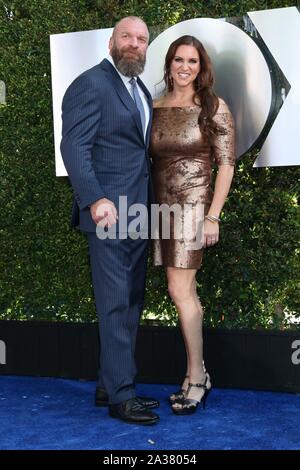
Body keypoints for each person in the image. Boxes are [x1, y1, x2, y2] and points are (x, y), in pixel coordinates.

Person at [60, 16, 159, 425]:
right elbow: (74, 146)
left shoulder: (141, 92)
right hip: (108, 214)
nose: (134, 44)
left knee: (130, 302)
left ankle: (109, 382)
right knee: (116, 303)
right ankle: (122, 396)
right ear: (111, 43)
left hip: (138, 213)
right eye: (127, 37)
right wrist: (96, 198)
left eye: (141, 39)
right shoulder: (91, 84)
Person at [150, 35, 235, 415]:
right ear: (169, 63)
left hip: (193, 208)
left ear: (202, 68)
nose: (185, 67)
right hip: (159, 209)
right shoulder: (153, 105)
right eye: (179, 59)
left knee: (179, 289)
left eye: (193, 61)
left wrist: (213, 215)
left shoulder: (214, 107)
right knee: (184, 292)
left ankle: (198, 378)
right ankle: (194, 374)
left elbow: (227, 164)